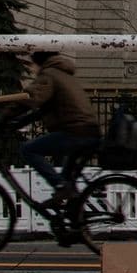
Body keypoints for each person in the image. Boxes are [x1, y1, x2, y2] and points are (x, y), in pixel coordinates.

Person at [10, 51, 102, 201]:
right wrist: (19, 122)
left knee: (28, 149)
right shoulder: (65, 76)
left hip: (75, 132)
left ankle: (61, 187)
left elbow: (30, 99)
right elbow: (43, 110)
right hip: (89, 131)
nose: (32, 70)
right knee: (67, 180)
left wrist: (5, 119)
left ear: (39, 63)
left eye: (32, 65)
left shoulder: (49, 75)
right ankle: (75, 215)